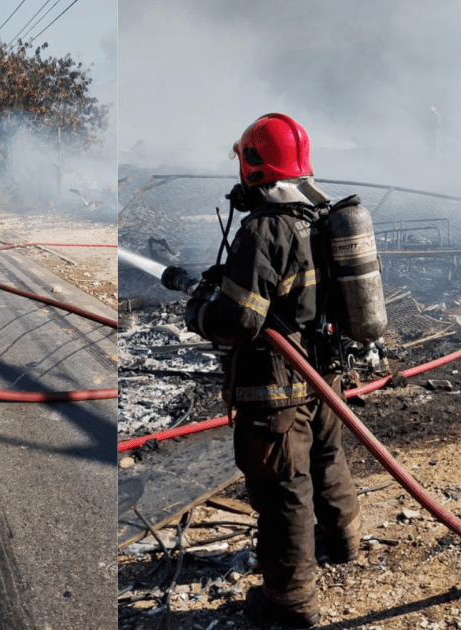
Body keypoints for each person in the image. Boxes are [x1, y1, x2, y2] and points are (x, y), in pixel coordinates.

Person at [178, 113, 360, 628]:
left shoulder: (264, 229)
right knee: (327, 456)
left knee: (283, 488)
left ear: (254, 166)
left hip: (276, 388)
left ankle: (291, 599)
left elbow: (239, 321)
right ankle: (342, 540)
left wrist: (199, 312)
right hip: (325, 375)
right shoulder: (322, 217)